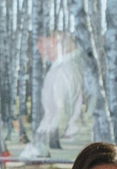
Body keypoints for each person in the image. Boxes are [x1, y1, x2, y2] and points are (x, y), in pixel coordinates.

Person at [20, 32, 94, 161]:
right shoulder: (74, 67)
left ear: (54, 42)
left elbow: (59, 112)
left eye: (42, 42)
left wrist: (41, 142)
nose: (39, 48)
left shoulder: (62, 71)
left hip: (69, 144)